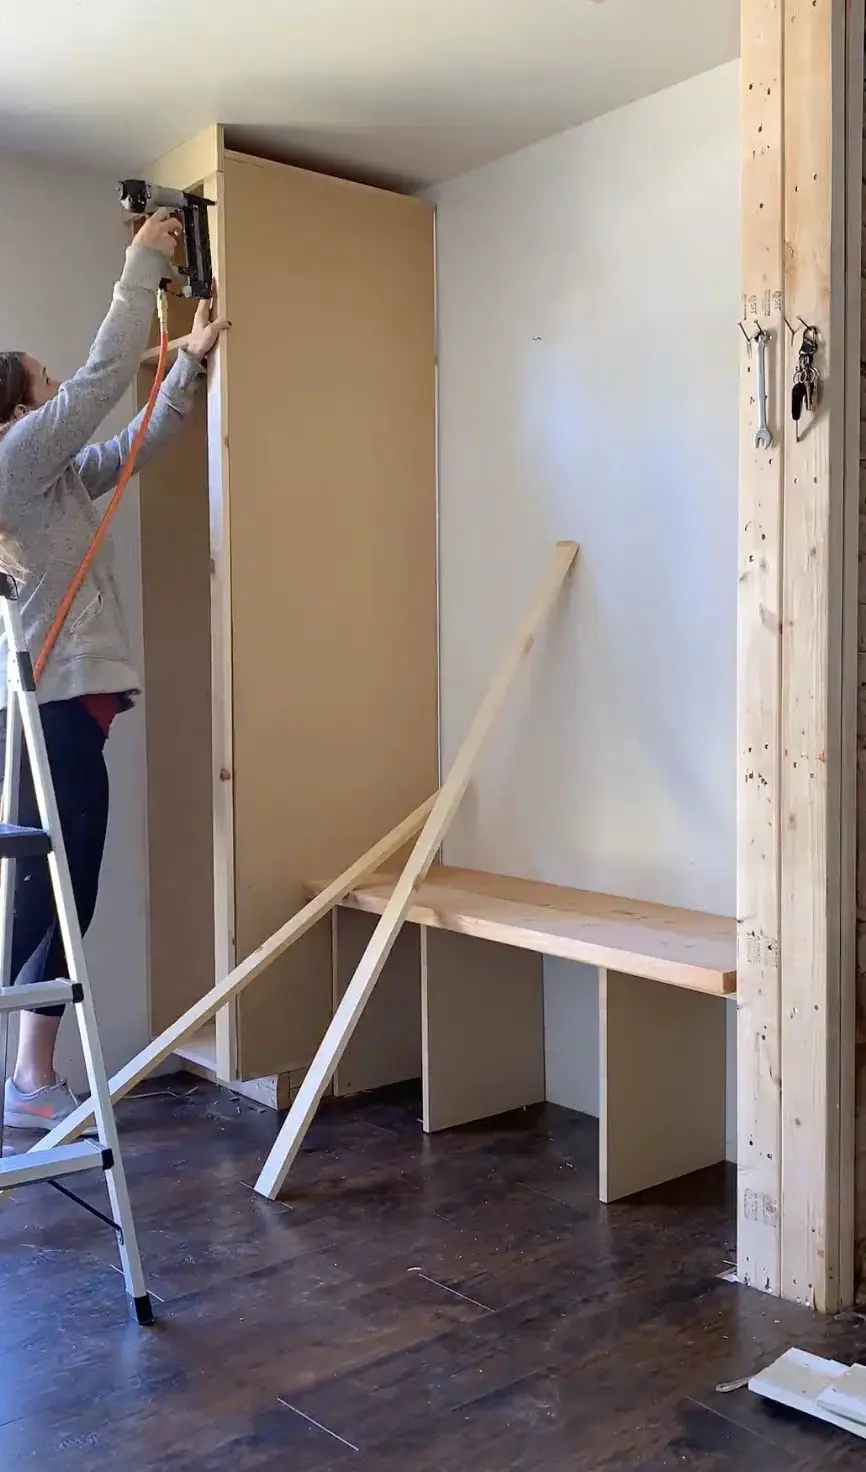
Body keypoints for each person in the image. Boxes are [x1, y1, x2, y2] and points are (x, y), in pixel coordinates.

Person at [0, 207, 228, 1131]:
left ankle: (26, 1073)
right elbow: (98, 385)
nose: (58, 391)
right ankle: (32, 1076)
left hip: (58, 701)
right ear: (18, 410)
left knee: (48, 880)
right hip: (54, 700)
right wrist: (142, 267)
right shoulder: (14, 458)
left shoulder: (45, 482)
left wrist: (189, 362)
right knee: (69, 881)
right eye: (40, 385)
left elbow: (137, 447)